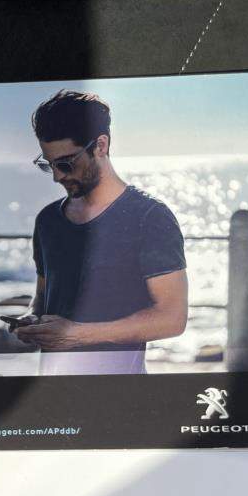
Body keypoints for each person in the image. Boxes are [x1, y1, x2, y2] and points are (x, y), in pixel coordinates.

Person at [15, 90, 188, 374]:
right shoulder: (48, 220)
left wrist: (76, 334)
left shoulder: (150, 217)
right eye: (49, 165)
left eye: (66, 164)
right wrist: (32, 320)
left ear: (101, 146)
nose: (57, 176)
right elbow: (44, 299)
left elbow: (172, 319)